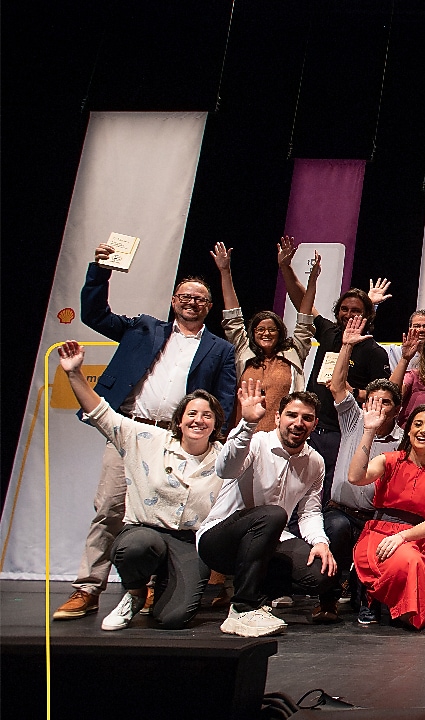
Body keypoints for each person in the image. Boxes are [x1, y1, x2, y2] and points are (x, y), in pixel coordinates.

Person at [54, 244, 238, 622]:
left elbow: (222, 396)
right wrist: (100, 270)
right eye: (185, 296)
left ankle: (151, 588)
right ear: (173, 301)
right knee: (109, 507)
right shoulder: (143, 328)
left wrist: (211, 437)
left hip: (178, 442)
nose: (192, 302)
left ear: (208, 307)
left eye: (200, 299)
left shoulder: (219, 348)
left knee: (167, 514)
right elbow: (95, 314)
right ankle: (87, 589)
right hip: (130, 431)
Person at [55, 340, 227, 631]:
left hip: (187, 541)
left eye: (207, 415)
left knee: (173, 619)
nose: (199, 420)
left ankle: (162, 590)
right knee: (135, 547)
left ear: (215, 424)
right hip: (145, 531)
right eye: (192, 414)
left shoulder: (225, 458)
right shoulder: (147, 439)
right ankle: (135, 592)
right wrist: (74, 374)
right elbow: (101, 413)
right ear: (179, 421)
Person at [198, 383, 337, 637]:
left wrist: (320, 541)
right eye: (292, 415)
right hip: (220, 540)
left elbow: (310, 511)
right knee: (273, 514)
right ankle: (242, 609)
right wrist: (248, 424)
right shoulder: (255, 441)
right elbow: (225, 470)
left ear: (315, 424)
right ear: (277, 417)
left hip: (269, 541)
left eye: (306, 418)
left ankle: (256, 599)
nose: (298, 423)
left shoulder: (315, 461)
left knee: (320, 573)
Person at [281, 252, 392, 502]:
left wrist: (354, 393)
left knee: (323, 492)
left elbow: (381, 396)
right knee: (292, 485)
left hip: (340, 433)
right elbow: (303, 303)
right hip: (309, 425)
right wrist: (286, 268)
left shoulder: (375, 352)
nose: (348, 314)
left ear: (368, 315)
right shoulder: (330, 333)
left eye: (355, 310)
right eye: (344, 309)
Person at [318, 316, 405, 625]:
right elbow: (337, 385)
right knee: (338, 531)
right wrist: (345, 347)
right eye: (372, 400)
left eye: (385, 402)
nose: (377, 406)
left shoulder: (403, 441)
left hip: (376, 518)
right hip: (341, 510)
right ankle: (327, 598)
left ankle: (362, 594)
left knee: (377, 551)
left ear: (396, 408)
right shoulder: (353, 419)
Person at [347, 402, 425, 630]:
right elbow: (355, 477)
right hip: (378, 532)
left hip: (413, 537)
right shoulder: (389, 460)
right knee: (408, 562)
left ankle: (380, 598)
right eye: (418, 424)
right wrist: (369, 431)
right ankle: (373, 596)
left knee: (412, 562)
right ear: (408, 430)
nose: (423, 430)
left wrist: (401, 538)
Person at [212, 239, 320, 431]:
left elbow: (305, 319)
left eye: (272, 329)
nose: (266, 333)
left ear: (280, 332)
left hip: (279, 439)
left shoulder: (293, 353)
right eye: (260, 329)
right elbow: (233, 317)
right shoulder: (244, 352)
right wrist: (225, 271)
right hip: (242, 436)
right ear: (253, 333)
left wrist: (312, 283)